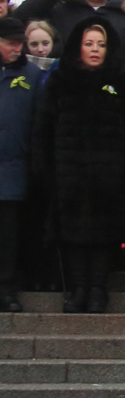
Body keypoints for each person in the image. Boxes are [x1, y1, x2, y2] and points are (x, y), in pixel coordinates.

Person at [32, 17, 125, 314]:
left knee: (103, 233)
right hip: (68, 173)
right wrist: (44, 168)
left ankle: (98, 289)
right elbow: (43, 128)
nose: (95, 50)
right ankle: (78, 289)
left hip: (109, 175)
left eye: (100, 44)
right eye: (89, 43)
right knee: (71, 233)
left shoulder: (121, 83)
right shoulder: (59, 82)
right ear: (77, 47)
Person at [0, 16, 49, 312]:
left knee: (8, 236)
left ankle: (7, 290)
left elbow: (38, 123)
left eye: (20, 43)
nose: (17, 49)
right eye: (10, 44)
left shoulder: (31, 75)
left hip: (13, 170)